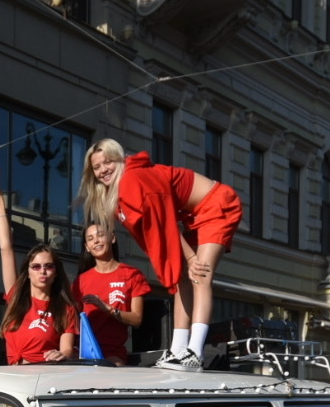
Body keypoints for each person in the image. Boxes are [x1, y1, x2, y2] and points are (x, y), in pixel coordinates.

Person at [80, 138, 243, 371]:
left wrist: (190, 258)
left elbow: (165, 224)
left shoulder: (132, 181)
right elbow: (151, 234)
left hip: (215, 204)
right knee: (181, 281)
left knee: (200, 274)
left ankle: (195, 352)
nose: (103, 170)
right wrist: (176, 262)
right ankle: (178, 349)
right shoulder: (115, 197)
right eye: (97, 167)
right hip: (191, 216)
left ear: (120, 160)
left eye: (108, 162)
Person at [0, 167, 78, 365]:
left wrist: (63, 354)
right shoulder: (16, 296)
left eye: (48, 266)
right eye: (35, 267)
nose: (42, 271)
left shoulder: (65, 309)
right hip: (14, 376)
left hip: (43, 376)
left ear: (55, 272)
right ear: (27, 272)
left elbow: (67, 349)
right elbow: (6, 248)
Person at [72, 222, 151, 364]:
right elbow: (72, 320)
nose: (96, 240)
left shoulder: (132, 275)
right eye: (90, 239)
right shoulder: (81, 281)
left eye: (100, 235)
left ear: (113, 238)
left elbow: (137, 319)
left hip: (112, 352)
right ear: (87, 248)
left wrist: (107, 308)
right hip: (83, 352)